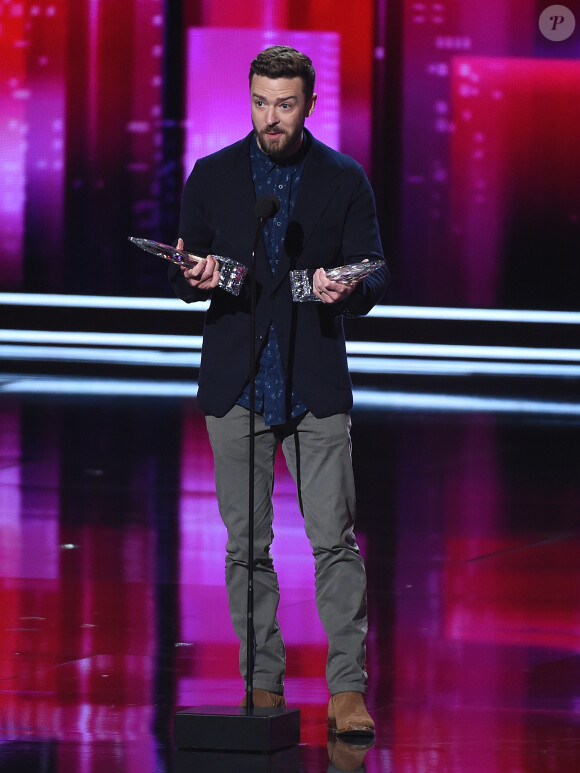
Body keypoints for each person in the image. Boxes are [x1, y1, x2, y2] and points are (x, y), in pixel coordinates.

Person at [169, 45, 388, 736]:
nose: (272, 117)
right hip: (237, 382)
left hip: (315, 382)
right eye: (262, 102)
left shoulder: (344, 179)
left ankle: (347, 688)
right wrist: (196, 274)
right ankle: (262, 681)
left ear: (310, 104)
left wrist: (342, 286)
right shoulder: (212, 175)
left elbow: (373, 277)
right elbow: (188, 266)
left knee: (334, 540)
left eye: (285, 104)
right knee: (245, 545)